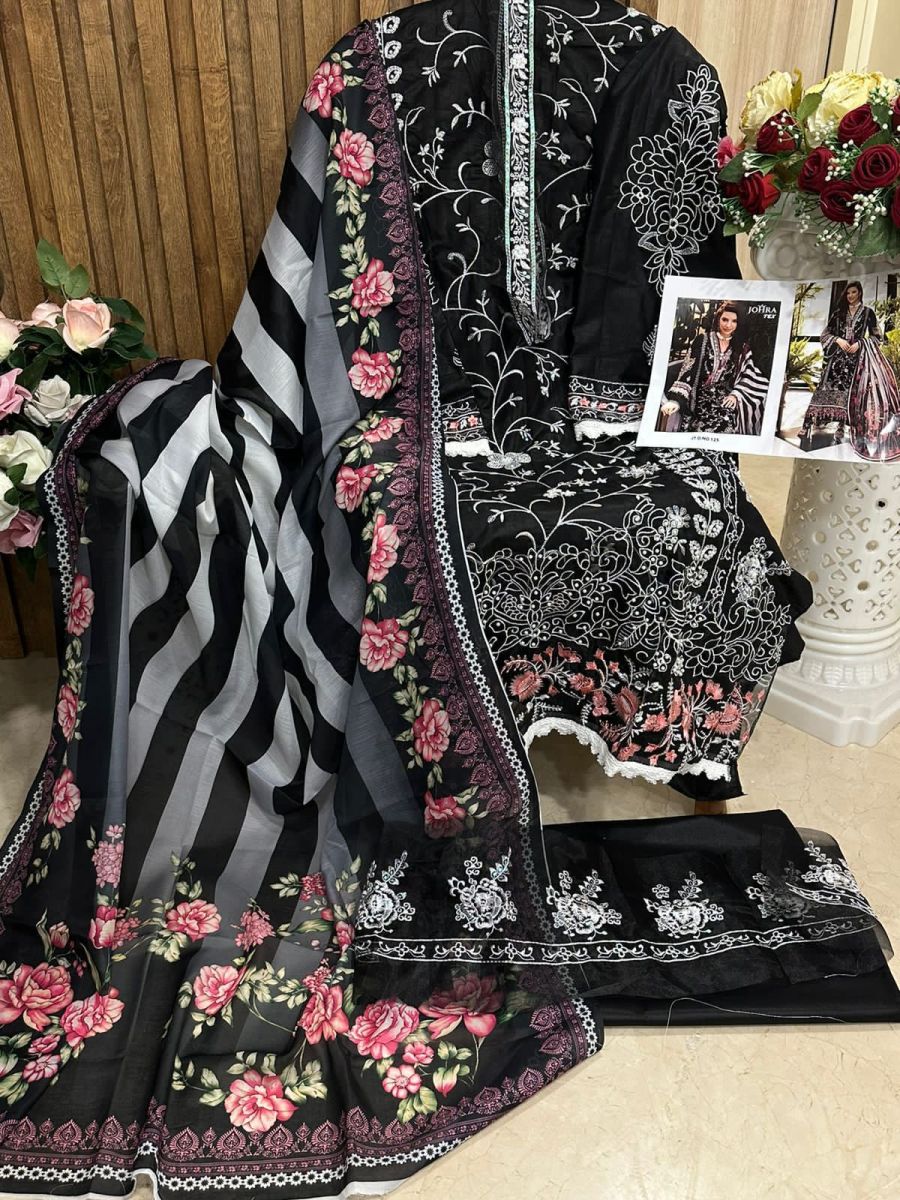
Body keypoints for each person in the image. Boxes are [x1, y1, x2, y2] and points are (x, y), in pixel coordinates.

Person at [0, 6, 893, 1200]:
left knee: (684, 502)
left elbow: (676, 269)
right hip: (419, 415)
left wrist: (632, 394)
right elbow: (308, 285)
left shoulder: (656, 67)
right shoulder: (370, 75)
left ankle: (664, 750)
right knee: (319, 498)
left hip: (609, 403)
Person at [802, 280, 900, 459]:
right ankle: (808, 424)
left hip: (857, 360)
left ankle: (842, 426)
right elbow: (825, 333)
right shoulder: (839, 313)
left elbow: (877, 336)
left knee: (851, 393)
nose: (850, 296)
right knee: (824, 389)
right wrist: (838, 340)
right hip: (837, 360)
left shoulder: (868, 313)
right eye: (848, 293)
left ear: (859, 293)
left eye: (853, 292)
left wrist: (861, 343)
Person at [660, 300, 769, 434]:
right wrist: (676, 401)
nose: (728, 325)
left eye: (734, 321)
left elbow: (748, 374)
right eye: (725, 319)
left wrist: (736, 395)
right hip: (700, 397)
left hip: (725, 398)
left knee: (729, 423)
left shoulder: (741, 348)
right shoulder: (702, 340)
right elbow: (688, 371)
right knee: (705, 427)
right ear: (718, 319)